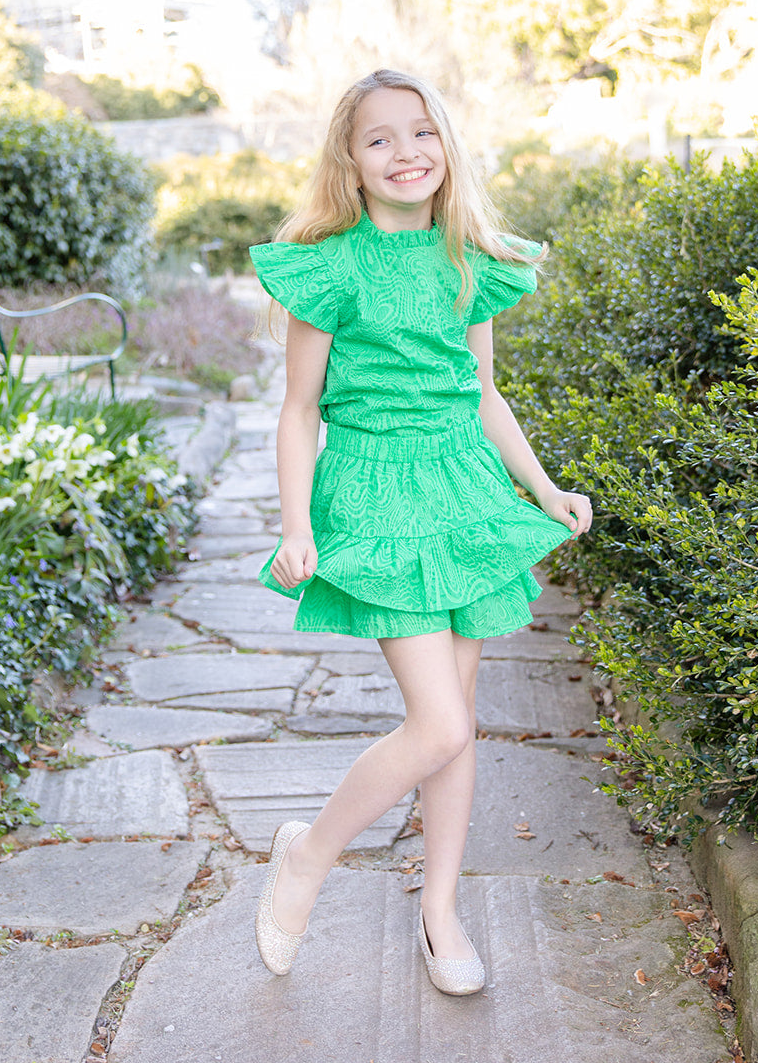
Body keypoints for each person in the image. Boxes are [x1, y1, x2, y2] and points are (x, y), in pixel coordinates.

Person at [249, 68, 592, 995]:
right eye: (379, 139)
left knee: (456, 727)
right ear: (350, 165)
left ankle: (439, 915)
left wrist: (543, 486)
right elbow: (297, 409)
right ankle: (310, 853)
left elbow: (481, 393)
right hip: (373, 490)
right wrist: (294, 522)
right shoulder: (331, 267)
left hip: (464, 487)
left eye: (421, 132)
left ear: (446, 145)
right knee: (436, 720)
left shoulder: (466, 260)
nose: (406, 153)